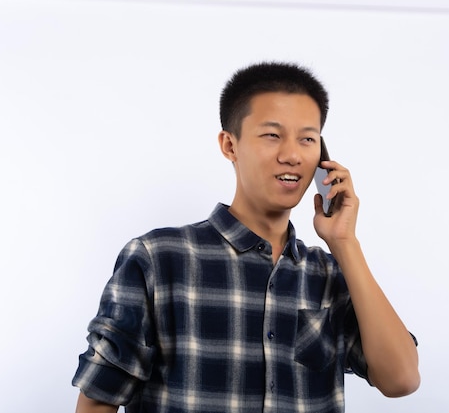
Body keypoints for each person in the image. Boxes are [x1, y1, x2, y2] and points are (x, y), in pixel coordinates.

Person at [72, 61, 420, 413]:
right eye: (272, 135)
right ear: (229, 145)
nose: (292, 155)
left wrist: (345, 243)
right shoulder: (157, 259)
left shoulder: (328, 273)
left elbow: (402, 379)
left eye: (308, 139)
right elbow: (99, 399)